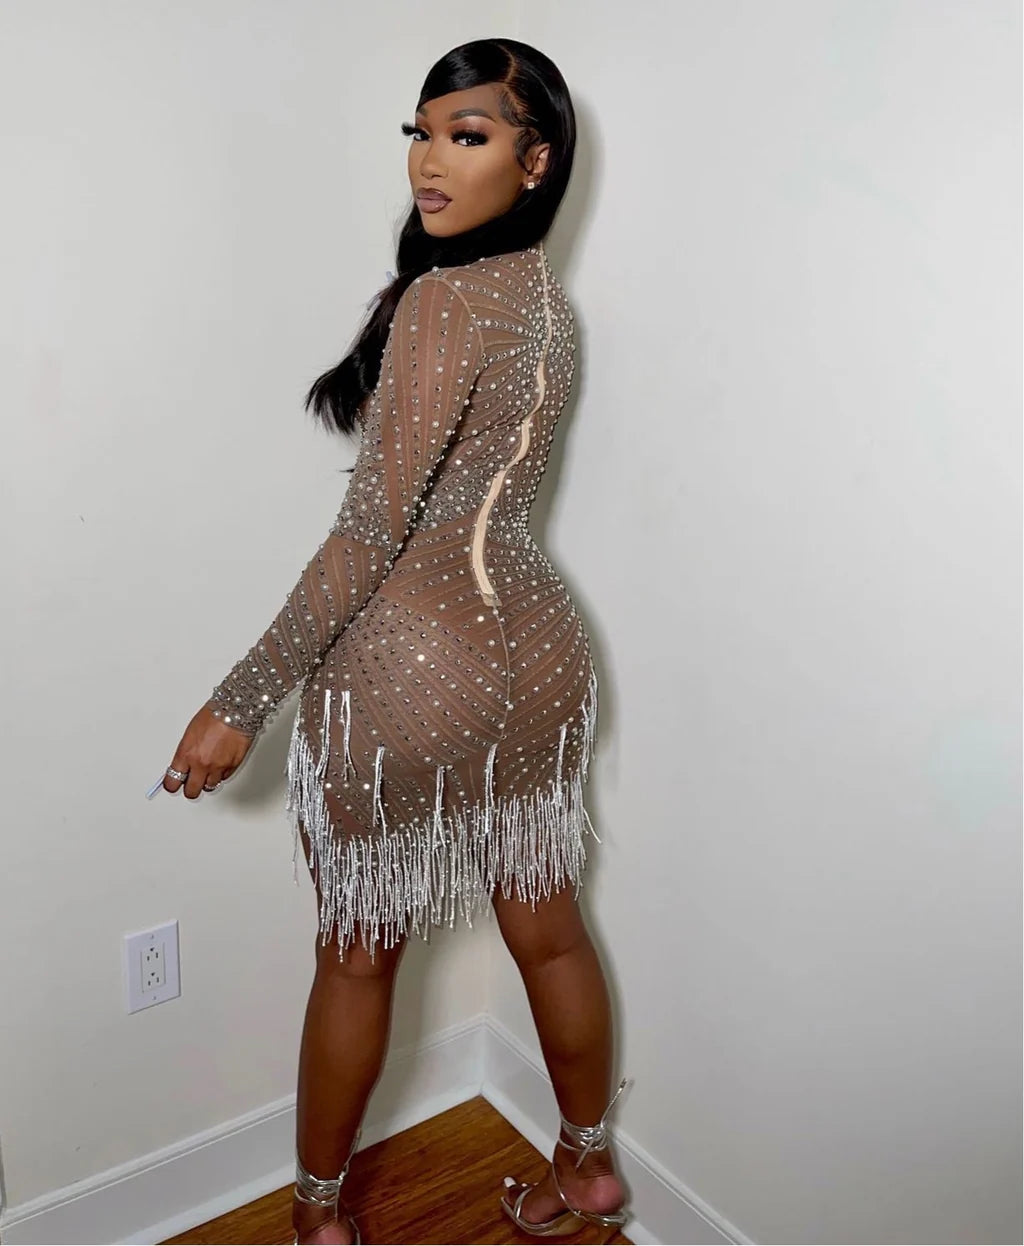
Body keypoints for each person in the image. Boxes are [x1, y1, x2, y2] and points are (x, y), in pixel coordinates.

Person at [160, 37, 631, 1246]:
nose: (430, 160)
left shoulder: (443, 300)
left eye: (467, 135)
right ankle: (586, 1167)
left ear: (535, 162)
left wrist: (239, 698)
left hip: (411, 672)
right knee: (550, 927)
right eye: (421, 133)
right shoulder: (548, 305)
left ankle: (319, 1219)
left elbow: (373, 533)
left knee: (357, 959)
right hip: (542, 657)